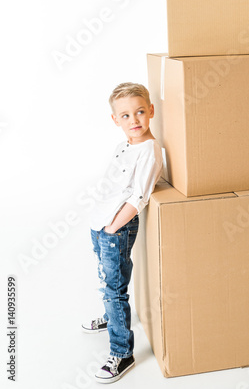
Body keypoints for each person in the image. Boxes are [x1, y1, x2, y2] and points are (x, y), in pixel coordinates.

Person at [81, 82, 163, 383]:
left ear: (151, 111)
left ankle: (121, 352)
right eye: (126, 115)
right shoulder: (124, 145)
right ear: (115, 120)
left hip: (116, 227)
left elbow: (138, 196)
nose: (135, 120)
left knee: (115, 289)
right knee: (108, 278)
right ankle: (111, 316)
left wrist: (113, 227)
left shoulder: (150, 150)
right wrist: (99, 223)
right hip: (100, 223)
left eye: (140, 112)